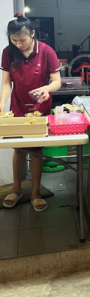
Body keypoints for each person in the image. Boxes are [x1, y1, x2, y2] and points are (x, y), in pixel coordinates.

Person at [0, 14, 61, 212]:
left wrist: (47, 89)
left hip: (39, 108)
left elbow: (57, 81)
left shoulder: (46, 51)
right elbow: (6, 82)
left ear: (32, 34)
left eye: (23, 40)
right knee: (18, 148)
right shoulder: (8, 53)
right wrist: (2, 103)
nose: (19, 44)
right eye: (14, 40)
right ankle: (17, 189)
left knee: (36, 150)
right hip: (17, 107)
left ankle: (35, 192)